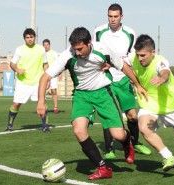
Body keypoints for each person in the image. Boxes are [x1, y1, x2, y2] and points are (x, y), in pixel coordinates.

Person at [37, 27, 146, 180]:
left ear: (89, 43)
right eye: (75, 49)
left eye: (80, 49)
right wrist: (41, 102)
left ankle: (127, 142)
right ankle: (103, 168)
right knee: (79, 130)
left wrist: (138, 85)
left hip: (103, 93)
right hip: (82, 96)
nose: (78, 52)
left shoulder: (103, 50)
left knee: (118, 134)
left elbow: (123, 66)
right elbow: (45, 77)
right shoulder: (67, 56)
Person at [124, 34, 174, 175]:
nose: (140, 58)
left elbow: (165, 72)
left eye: (143, 55)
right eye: (138, 55)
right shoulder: (133, 57)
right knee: (143, 127)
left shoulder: (161, 61)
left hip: (169, 103)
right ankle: (168, 157)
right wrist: (136, 83)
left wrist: (162, 78)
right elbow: (122, 64)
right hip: (149, 102)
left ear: (153, 52)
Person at [93, 3, 151, 159]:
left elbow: (132, 56)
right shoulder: (99, 31)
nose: (112, 20)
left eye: (116, 16)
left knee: (132, 115)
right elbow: (97, 52)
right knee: (108, 115)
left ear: (121, 17)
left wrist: (136, 78)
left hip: (124, 79)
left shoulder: (130, 33)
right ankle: (109, 149)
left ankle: (136, 142)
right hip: (107, 79)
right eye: (110, 16)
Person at [5, 28, 50, 132]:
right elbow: (12, 63)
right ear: (24, 38)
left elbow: (45, 64)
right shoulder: (19, 50)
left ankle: (45, 126)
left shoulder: (41, 49)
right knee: (16, 104)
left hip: (38, 82)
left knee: (42, 103)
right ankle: (9, 126)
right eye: (27, 37)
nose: (30, 39)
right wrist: (17, 69)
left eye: (31, 37)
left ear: (35, 37)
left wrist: (47, 80)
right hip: (23, 82)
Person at [42, 39, 59, 113]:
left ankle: (55, 107)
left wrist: (59, 73)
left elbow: (58, 63)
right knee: (43, 90)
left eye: (47, 45)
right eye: (44, 45)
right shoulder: (41, 54)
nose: (46, 46)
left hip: (53, 75)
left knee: (53, 90)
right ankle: (43, 106)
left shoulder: (54, 53)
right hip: (44, 74)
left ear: (49, 45)